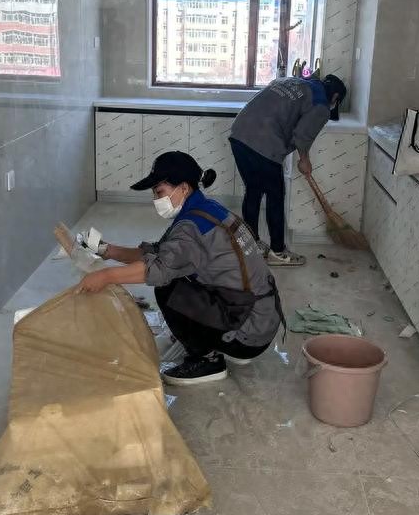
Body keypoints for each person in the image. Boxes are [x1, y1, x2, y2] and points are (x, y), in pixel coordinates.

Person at [75, 151, 283, 386]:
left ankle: (207, 360)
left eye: (159, 192)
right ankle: (218, 338)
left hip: (249, 332)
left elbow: (159, 268)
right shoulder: (206, 210)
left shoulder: (191, 227)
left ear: (183, 188)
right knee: (176, 275)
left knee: (168, 288)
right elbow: (160, 253)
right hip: (261, 317)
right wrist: (108, 250)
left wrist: (106, 276)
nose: (156, 200)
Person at [229, 72, 347, 267]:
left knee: (253, 190)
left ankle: (252, 245)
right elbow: (302, 135)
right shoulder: (321, 105)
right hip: (264, 143)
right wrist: (304, 160)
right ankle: (278, 252)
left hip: (239, 134)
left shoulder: (292, 81)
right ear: (335, 97)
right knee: (275, 197)